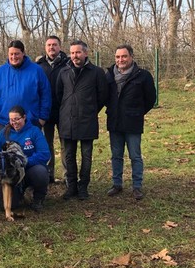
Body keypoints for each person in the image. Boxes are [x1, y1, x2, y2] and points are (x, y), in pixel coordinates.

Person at [57, 40, 108, 200]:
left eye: (78, 52)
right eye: (72, 53)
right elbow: (59, 94)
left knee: (86, 155)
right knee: (69, 155)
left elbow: (103, 95)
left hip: (87, 120)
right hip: (67, 120)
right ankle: (71, 187)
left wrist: (90, 109)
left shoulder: (97, 72)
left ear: (85, 53)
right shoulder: (63, 71)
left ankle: (83, 186)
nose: (74, 56)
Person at [105, 44, 156, 200]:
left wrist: (137, 112)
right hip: (114, 121)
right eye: (118, 57)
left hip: (133, 122)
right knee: (116, 155)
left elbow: (150, 99)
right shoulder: (108, 75)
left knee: (135, 156)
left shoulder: (143, 76)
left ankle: (137, 186)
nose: (121, 59)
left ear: (131, 57)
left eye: (124, 56)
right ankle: (117, 184)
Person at [0, 105, 50, 212]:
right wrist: (7, 164)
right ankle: (18, 193)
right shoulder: (4, 133)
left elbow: (44, 153)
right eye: (11, 120)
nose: (14, 122)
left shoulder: (34, 131)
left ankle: (38, 198)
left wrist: (24, 161)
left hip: (30, 169)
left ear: (24, 117)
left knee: (41, 172)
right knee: (7, 206)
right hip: (12, 172)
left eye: (17, 119)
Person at [0, 40, 51, 135]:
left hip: (30, 123)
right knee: (5, 150)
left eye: (17, 54)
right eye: (11, 54)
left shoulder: (36, 71)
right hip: (3, 123)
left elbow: (45, 95)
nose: (13, 57)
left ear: (23, 53)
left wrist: (42, 119)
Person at [37, 36, 69, 183]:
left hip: (64, 111)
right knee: (47, 144)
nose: (51, 47)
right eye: (49, 45)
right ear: (45, 47)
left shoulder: (68, 64)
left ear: (60, 47)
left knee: (65, 145)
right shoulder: (39, 65)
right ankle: (49, 174)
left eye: (54, 45)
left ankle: (67, 175)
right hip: (46, 112)